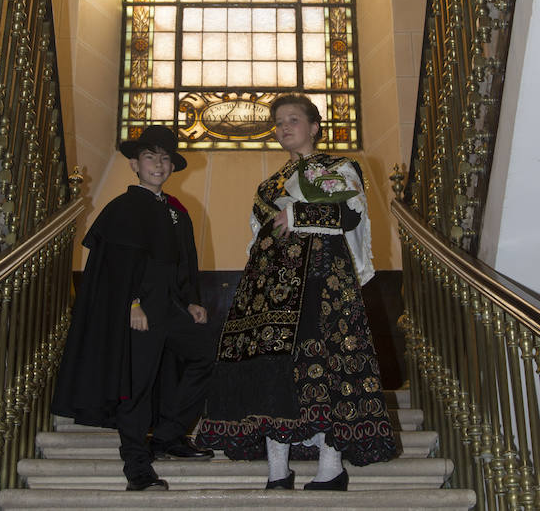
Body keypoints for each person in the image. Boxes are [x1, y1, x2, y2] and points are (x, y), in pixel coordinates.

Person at [196, 94, 396, 490]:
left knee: (324, 365)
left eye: (293, 119)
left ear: (314, 127)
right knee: (273, 371)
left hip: (322, 281)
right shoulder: (268, 185)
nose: (284, 127)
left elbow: (350, 214)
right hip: (271, 289)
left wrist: (298, 213)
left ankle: (331, 467)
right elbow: (261, 235)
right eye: (279, 122)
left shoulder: (339, 168)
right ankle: (277, 469)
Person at [51, 125, 215, 492]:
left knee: (206, 354)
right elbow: (115, 269)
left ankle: (169, 435)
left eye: (164, 158)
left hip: (171, 308)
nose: (158, 164)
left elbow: (184, 262)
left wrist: (192, 300)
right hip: (139, 309)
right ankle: (137, 468)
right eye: (150, 157)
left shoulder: (176, 210)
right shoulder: (122, 209)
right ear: (134, 165)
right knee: (135, 387)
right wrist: (132, 304)